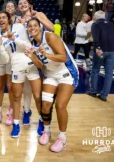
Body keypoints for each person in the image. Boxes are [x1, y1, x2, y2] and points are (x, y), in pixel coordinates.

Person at [27, 18, 79, 153]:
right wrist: (32, 57)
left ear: (40, 27)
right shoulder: (33, 44)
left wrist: (46, 54)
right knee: (45, 105)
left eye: (35, 25)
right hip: (50, 75)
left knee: (60, 106)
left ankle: (62, 138)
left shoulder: (49, 37)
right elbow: (41, 65)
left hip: (67, 74)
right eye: (30, 26)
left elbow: (63, 57)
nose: (32, 28)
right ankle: (47, 131)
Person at [0, 12, 43, 137]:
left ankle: (42, 121)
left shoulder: (19, 28)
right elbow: (6, 60)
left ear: (8, 19)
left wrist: (14, 39)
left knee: (37, 96)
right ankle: (16, 124)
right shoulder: (0, 38)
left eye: (3, 17)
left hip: (30, 64)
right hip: (16, 68)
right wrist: (0, 47)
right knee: (16, 97)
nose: (1, 20)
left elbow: (29, 46)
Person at [17, 0, 55, 125]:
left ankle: (42, 118)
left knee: (40, 93)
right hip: (29, 55)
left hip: (44, 54)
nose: (22, 5)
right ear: (18, 8)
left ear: (29, 5)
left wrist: (39, 19)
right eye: (20, 4)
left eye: (24, 3)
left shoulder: (38, 14)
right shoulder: (19, 20)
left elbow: (52, 28)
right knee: (27, 89)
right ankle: (27, 111)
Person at [87, 10, 114, 101]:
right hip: (112, 51)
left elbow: (95, 37)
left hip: (101, 50)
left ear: (95, 17)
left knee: (95, 70)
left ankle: (93, 91)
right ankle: (104, 96)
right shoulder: (112, 24)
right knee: (109, 74)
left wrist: (97, 48)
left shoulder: (95, 24)